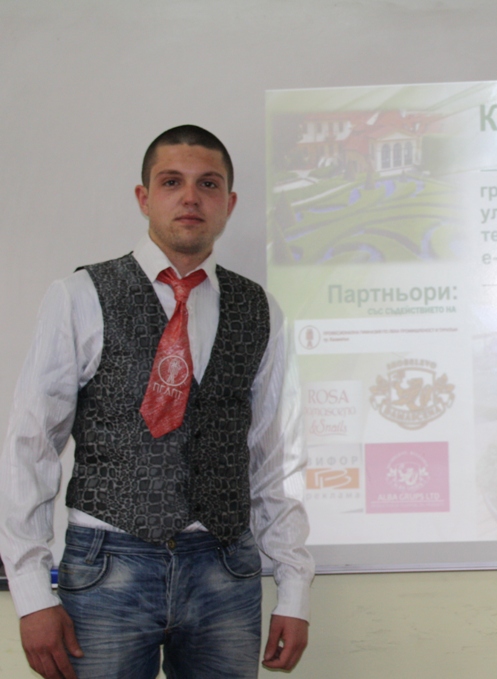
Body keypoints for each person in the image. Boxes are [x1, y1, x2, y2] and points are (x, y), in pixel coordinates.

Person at [0, 125, 315, 679]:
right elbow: (30, 444)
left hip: (226, 570)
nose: (190, 197)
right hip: (106, 566)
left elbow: (277, 458)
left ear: (228, 203)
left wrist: (294, 590)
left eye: (208, 184)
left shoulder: (260, 308)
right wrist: (30, 592)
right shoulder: (78, 297)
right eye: (172, 182)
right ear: (144, 197)